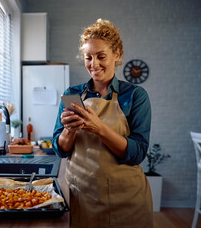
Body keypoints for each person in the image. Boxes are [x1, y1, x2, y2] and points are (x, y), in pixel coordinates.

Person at [53, 19, 153, 228]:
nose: (94, 64)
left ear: (117, 55)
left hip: (125, 198)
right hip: (81, 196)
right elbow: (61, 150)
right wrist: (69, 130)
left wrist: (99, 128)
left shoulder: (134, 95)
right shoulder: (72, 94)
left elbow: (138, 152)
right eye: (88, 57)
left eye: (101, 56)